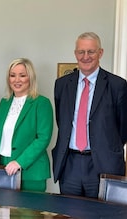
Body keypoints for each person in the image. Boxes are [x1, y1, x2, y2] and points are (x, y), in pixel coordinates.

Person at [53, 32, 127, 198]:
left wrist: (104, 145)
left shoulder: (117, 85)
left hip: (103, 164)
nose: (85, 56)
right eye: (81, 52)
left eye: (91, 52)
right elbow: (62, 121)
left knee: (102, 214)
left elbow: (123, 129)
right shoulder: (62, 84)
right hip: (69, 164)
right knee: (69, 213)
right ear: (75, 53)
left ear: (100, 53)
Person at [0, 58, 53, 192]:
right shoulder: (4, 103)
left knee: (28, 212)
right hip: (3, 167)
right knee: (3, 211)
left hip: (30, 170)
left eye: (22, 75)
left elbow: (43, 138)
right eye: (12, 75)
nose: (17, 80)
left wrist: (20, 162)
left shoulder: (41, 103)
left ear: (30, 78)